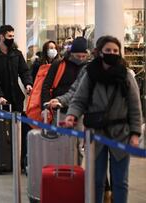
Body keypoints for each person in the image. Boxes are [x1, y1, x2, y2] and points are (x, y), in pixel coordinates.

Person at [64, 36, 142, 203]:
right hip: (95, 136)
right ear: (100, 52)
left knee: (120, 182)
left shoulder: (126, 76)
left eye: (115, 51)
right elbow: (79, 100)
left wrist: (135, 133)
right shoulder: (90, 74)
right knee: (96, 181)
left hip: (121, 134)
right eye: (108, 50)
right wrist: (72, 115)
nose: (112, 53)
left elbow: (135, 108)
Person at [0, 25, 33, 112]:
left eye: (13, 36)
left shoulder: (17, 54)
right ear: (2, 37)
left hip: (16, 98)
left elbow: (24, 71)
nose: (12, 38)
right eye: (9, 36)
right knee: (0, 125)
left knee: (17, 124)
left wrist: (28, 84)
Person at [41, 37, 89, 116]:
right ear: (71, 53)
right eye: (78, 56)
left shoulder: (88, 67)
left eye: (83, 56)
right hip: (59, 110)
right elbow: (46, 86)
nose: (81, 59)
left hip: (81, 112)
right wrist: (45, 108)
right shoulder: (59, 64)